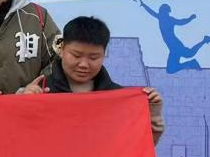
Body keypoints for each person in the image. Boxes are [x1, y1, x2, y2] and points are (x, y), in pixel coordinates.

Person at [37, 16, 164, 144]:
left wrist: (153, 116)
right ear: (62, 49)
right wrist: (27, 104)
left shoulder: (118, 99)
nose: (83, 64)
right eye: (76, 55)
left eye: (93, 58)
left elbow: (138, 146)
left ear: (104, 54)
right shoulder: (41, 91)